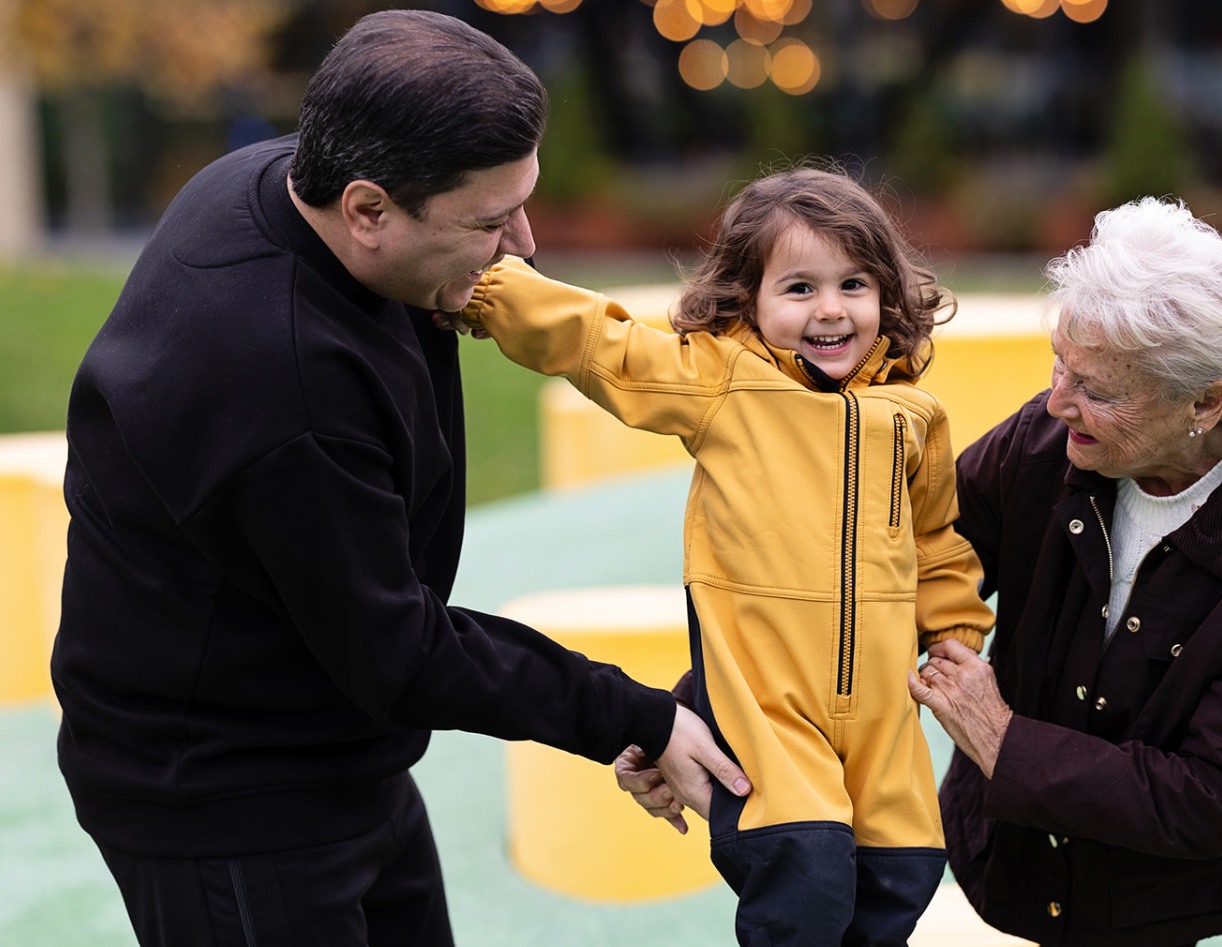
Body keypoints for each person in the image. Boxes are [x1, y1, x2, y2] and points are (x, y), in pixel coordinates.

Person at [50, 10, 747, 947]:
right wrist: (637, 716)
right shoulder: (279, 384)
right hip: (223, 795)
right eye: (491, 221)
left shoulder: (279, 181)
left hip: (337, 738)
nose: (526, 244)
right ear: (369, 210)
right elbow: (401, 651)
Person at [624, 196, 1222, 945]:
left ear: (1205, 402)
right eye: (1059, 364)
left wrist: (1003, 740)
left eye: (1095, 389)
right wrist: (693, 716)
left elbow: (1218, 797)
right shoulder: (1048, 441)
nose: (1057, 400)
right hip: (1106, 861)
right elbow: (878, 578)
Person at [454, 165, 996, 946]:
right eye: (799, 288)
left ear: (889, 295)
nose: (832, 310)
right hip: (769, 710)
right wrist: (495, 289)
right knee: (803, 870)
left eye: (854, 284)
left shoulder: (913, 417)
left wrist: (954, 631)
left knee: (903, 868)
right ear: (748, 302)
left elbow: (937, 538)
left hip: (880, 714)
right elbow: (603, 345)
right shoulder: (724, 385)